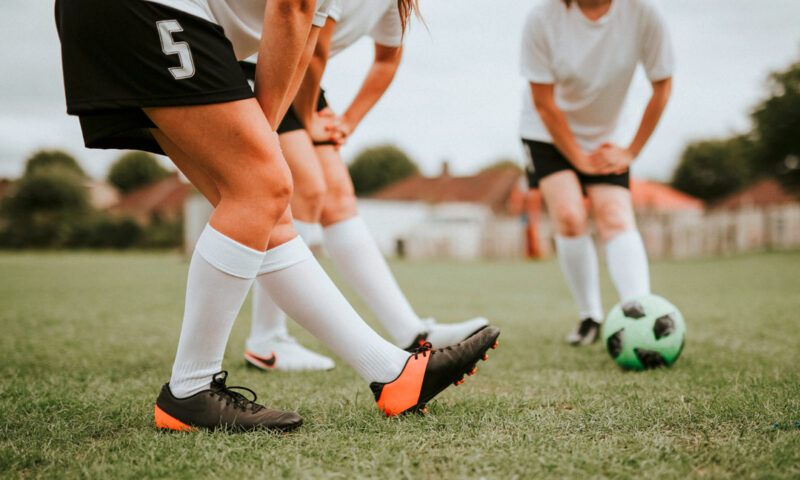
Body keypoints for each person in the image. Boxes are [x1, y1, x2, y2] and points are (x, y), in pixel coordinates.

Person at [55, 0, 500, 431]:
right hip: (146, 9)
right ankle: (191, 387)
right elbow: (292, 6)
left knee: (268, 208)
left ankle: (393, 373)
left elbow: (306, 32)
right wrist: (264, 149)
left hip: (155, 16)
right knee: (263, 188)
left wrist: (264, 141)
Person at [240, 0, 489, 372]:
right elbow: (315, 41)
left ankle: (411, 333)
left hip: (302, 73)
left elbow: (387, 59)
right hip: (258, 63)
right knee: (306, 189)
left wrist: (348, 121)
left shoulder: (394, 3)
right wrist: (308, 120)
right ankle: (267, 340)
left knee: (337, 199)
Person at [519, 0, 673, 345]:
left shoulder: (644, 14)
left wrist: (631, 150)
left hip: (607, 136)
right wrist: (578, 157)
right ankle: (590, 317)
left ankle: (641, 316)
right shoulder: (543, 18)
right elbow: (543, 102)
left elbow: (662, 85)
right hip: (546, 133)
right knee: (570, 216)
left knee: (616, 217)